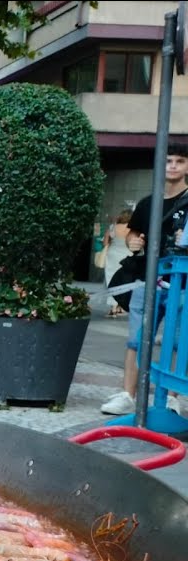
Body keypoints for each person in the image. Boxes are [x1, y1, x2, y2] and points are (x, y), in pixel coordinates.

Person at [102, 143, 188, 416]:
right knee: (136, 340)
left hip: (181, 284)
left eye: (179, 161)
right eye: (168, 160)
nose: (173, 166)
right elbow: (132, 234)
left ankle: (173, 398)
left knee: (177, 342)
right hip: (146, 280)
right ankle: (129, 394)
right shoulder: (148, 203)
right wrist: (133, 242)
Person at [101, 208, 134, 317]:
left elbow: (105, 243)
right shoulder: (132, 228)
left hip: (112, 256)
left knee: (111, 279)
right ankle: (120, 306)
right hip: (126, 255)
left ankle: (113, 308)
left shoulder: (113, 227)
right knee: (124, 281)